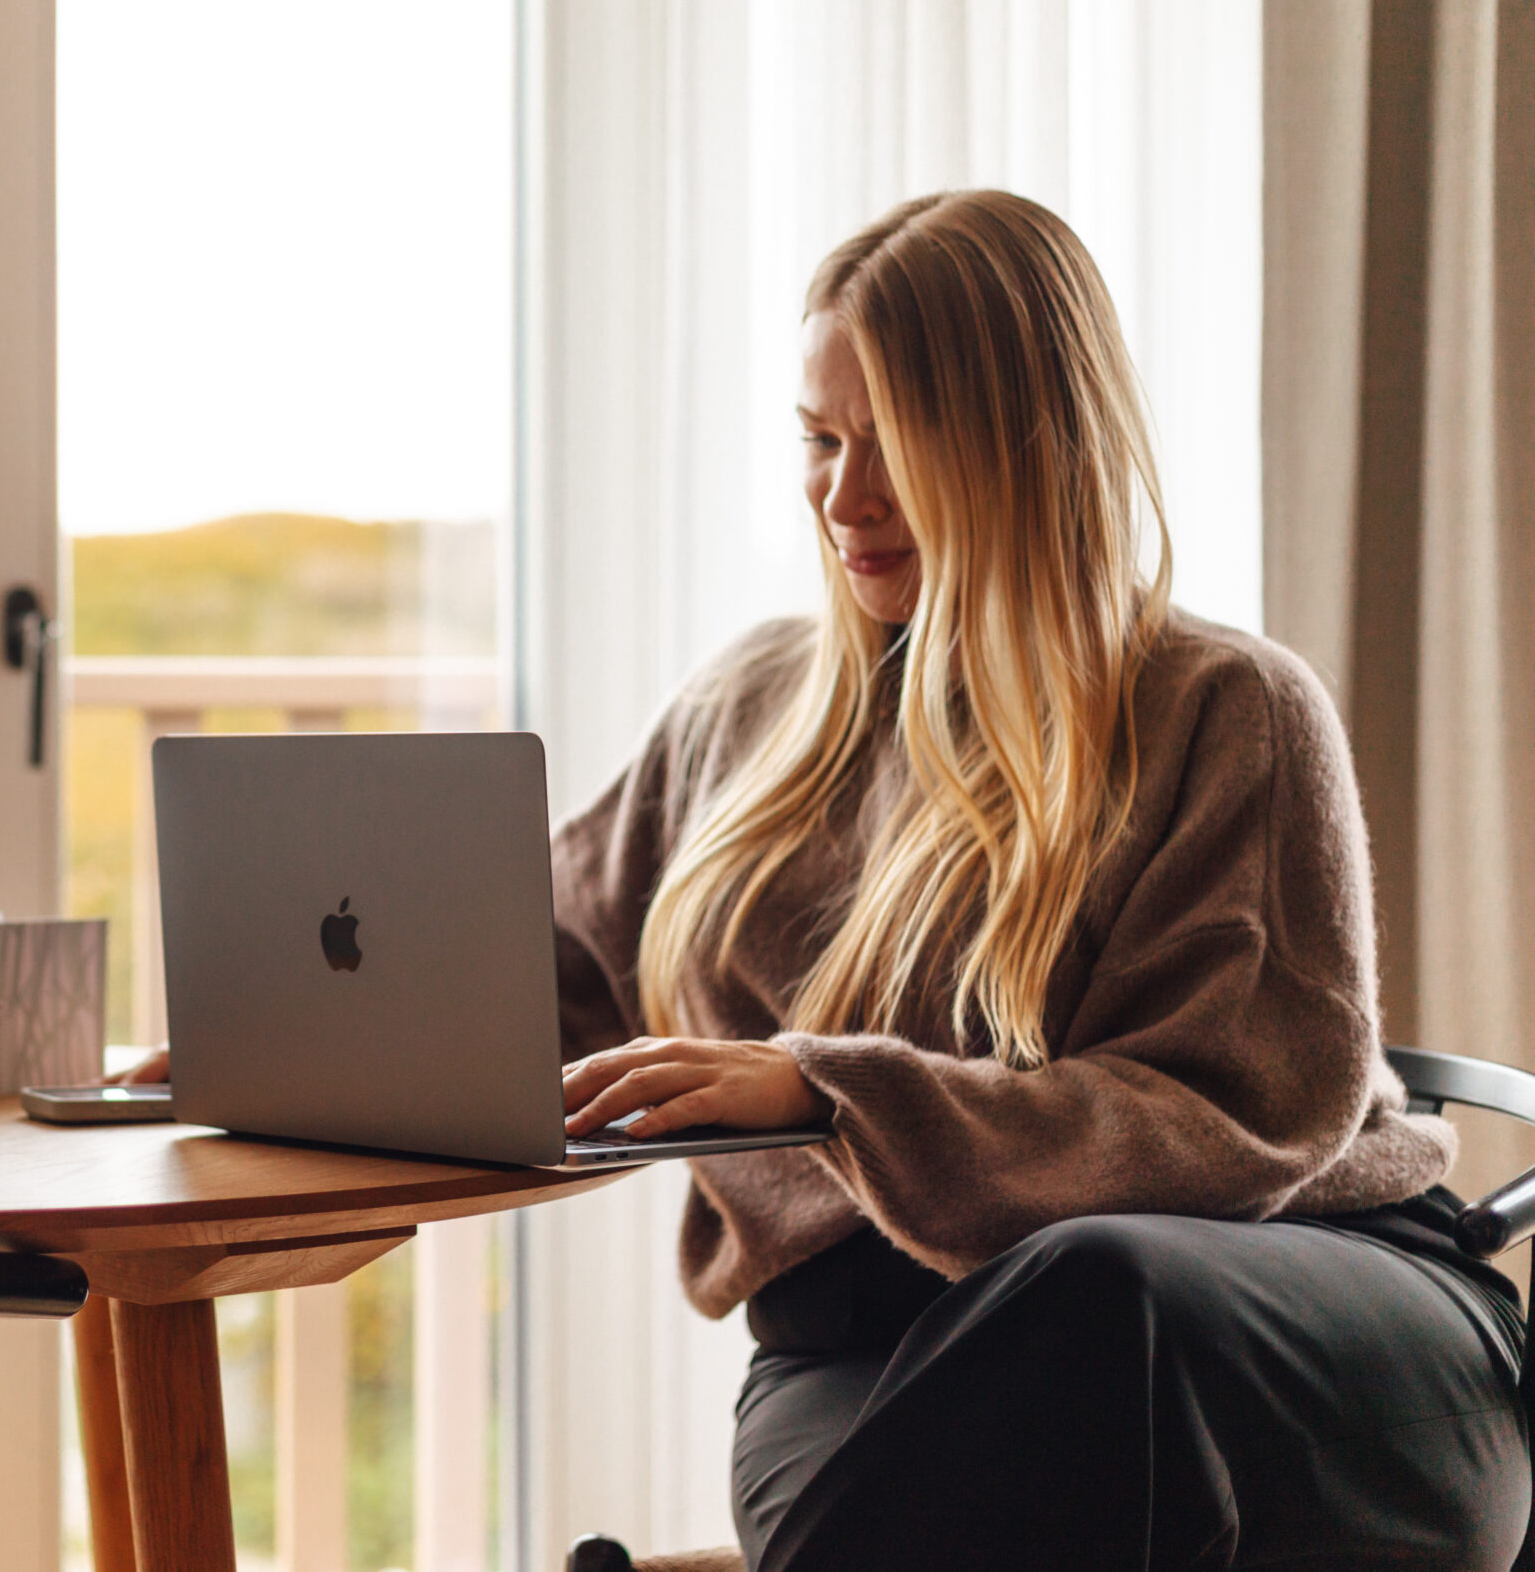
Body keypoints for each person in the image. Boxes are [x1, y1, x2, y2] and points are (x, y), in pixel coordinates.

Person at [552, 190, 1527, 1570]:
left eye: (898, 444)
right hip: (871, 1369)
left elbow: (1228, 1120)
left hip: (1280, 1332)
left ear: (1029, 438)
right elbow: (550, 967)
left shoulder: (1227, 706)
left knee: (1088, 1291)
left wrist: (828, 1091)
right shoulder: (750, 710)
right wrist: (309, 1042)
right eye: (821, 443)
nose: (844, 498)